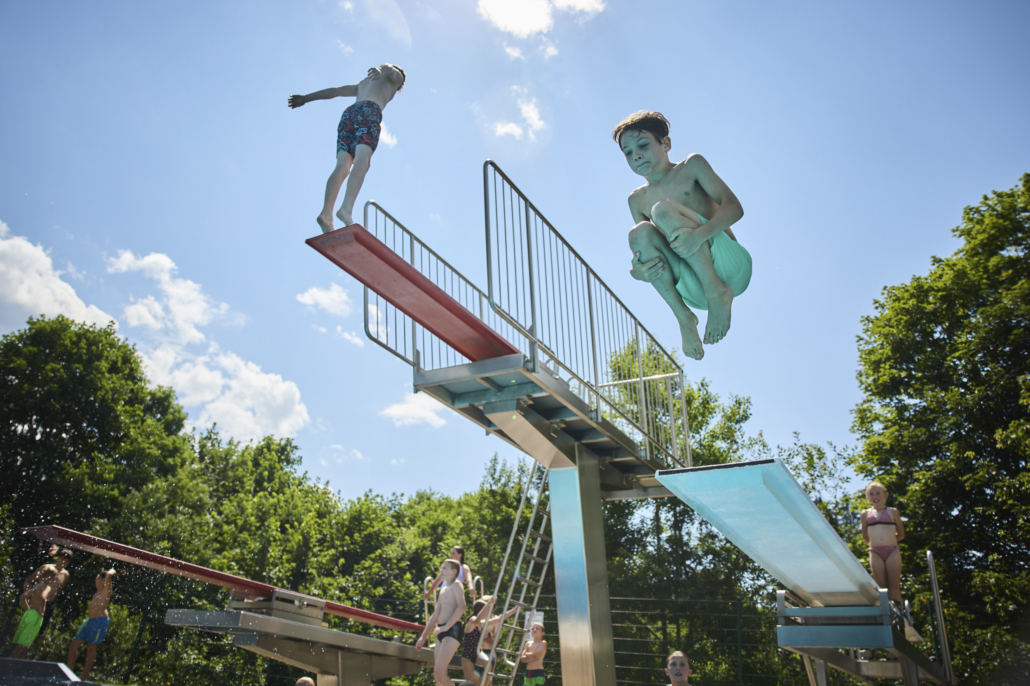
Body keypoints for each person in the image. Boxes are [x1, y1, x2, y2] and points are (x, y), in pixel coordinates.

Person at [614, 110, 752, 361]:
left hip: (731, 268)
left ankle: (718, 293)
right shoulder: (637, 200)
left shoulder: (691, 166)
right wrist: (637, 272)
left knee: (663, 211)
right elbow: (646, 246)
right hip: (693, 288)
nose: (636, 155)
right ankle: (684, 317)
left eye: (643, 145)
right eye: (628, 153)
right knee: (639, 232)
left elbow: (735, 208)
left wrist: (699, 235)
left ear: (665, 144)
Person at [289, 63, 406, 234]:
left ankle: (326, 214)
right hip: (369, 112)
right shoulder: (396, 80)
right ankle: (346, 209)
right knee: (362, 161)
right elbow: (391, 69)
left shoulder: (362, 84)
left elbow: (336, 91)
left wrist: (306, 98)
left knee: (342, 167)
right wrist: (381, 70)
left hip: (349, 114)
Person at [416, 560, 467, 686]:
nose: (441, 571)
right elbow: (435, 615)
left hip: (452, 630)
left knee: (438, 674)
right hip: (441, 630)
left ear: (454, 572)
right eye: (441, 568)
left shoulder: (457, 584)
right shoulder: (443, 590)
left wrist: (447, 627)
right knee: (439, 678)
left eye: (444, 568)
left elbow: (462, 607)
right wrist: (423, 636)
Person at [66, 568, 116, 680]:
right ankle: (68, 673)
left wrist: (112, 570)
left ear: (103, 580)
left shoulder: (106, 590)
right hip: (89, 621)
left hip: (99, 621)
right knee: (73, 646)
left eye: (98, 578)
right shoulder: (98, 592)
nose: (96, 580)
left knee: (91, 648)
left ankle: (83, 678)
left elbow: (109, 576)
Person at [861, 481, 906, 605]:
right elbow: (865, 536)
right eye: (872, 494)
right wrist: (876, 542)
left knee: (894, 588)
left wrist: (889, 541)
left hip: (892, 551)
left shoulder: (893, 512)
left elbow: (901, 534)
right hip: (875, 552)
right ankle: (887, 614)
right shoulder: (865, 514)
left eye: (878, 493)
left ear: (885, 495)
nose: (875, 496)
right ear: (868, 497)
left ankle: (901, 614)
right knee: (882, 590)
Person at [8, 568, 59, 659]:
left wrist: (28, 609)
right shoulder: (47, 587)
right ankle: (10, 664)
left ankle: (13, 663)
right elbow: (43, 597)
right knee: (23, 645)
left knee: (22, 644)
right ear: (50, 577)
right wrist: (42, 612)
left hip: (28, 614)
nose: (54, 580)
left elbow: (22, 597)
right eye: (54, 578)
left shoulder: (37, 586)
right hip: (36, 616)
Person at [461, 595, 496, 682]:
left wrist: (514, 610)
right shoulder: (473, 620)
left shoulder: (481, 623)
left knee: (487, 664)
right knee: (471, 682)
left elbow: (498, 619)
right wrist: (488, 603)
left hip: (477, 654)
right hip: (468, 655)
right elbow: (477, 619)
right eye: (486, 611)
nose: (488, 614)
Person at [520, 622, 547, 686]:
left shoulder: (543, 643)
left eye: (537, 628)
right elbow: (522, 659)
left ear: (542, 633)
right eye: (532, 629)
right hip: (528, 672)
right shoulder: (527, 644)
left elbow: (536, 655)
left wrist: (527, 654)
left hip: (538, 672)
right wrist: (534, 656)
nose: (534, 630)